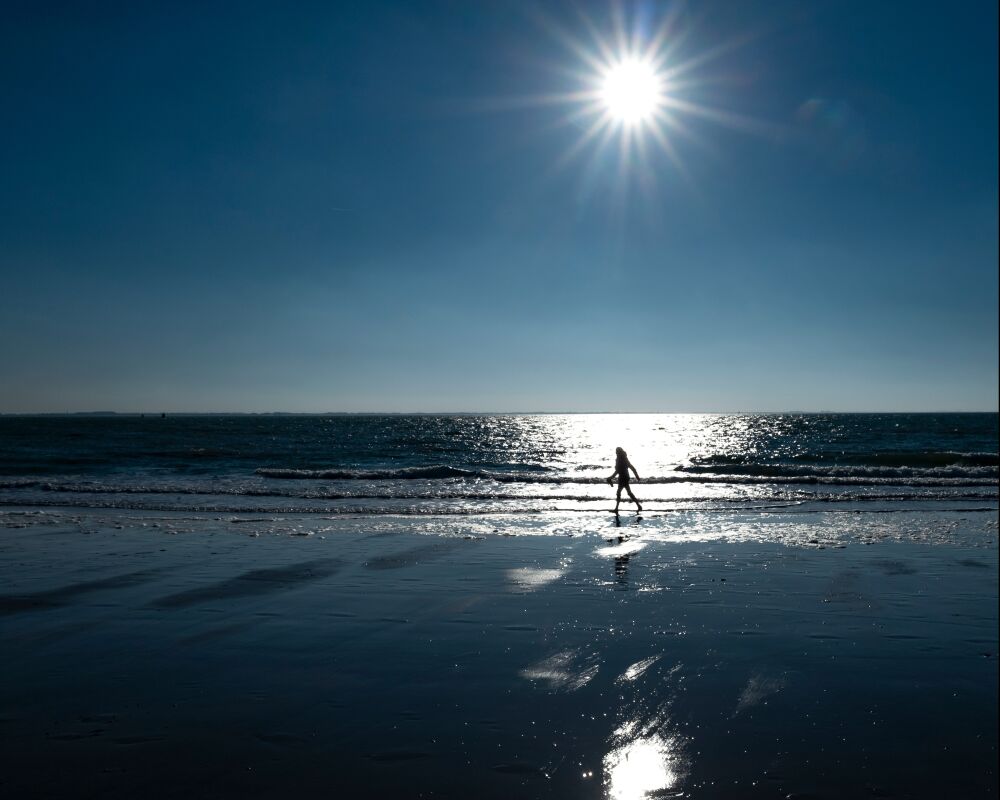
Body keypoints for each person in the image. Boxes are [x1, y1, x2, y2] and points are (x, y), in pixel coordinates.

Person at [607, 446, 641, 513]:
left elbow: (629, 468)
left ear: (619, 452)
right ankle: (638, 505)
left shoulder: (622, 459)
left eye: (617, 451)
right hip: (624, 477)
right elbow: (628, 468)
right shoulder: (621, 459)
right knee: (628, 493)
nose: (616, 453)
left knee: (619, 492)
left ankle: (616, 509)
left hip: (623, 477)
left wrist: (637, 476)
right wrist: (611, 477)